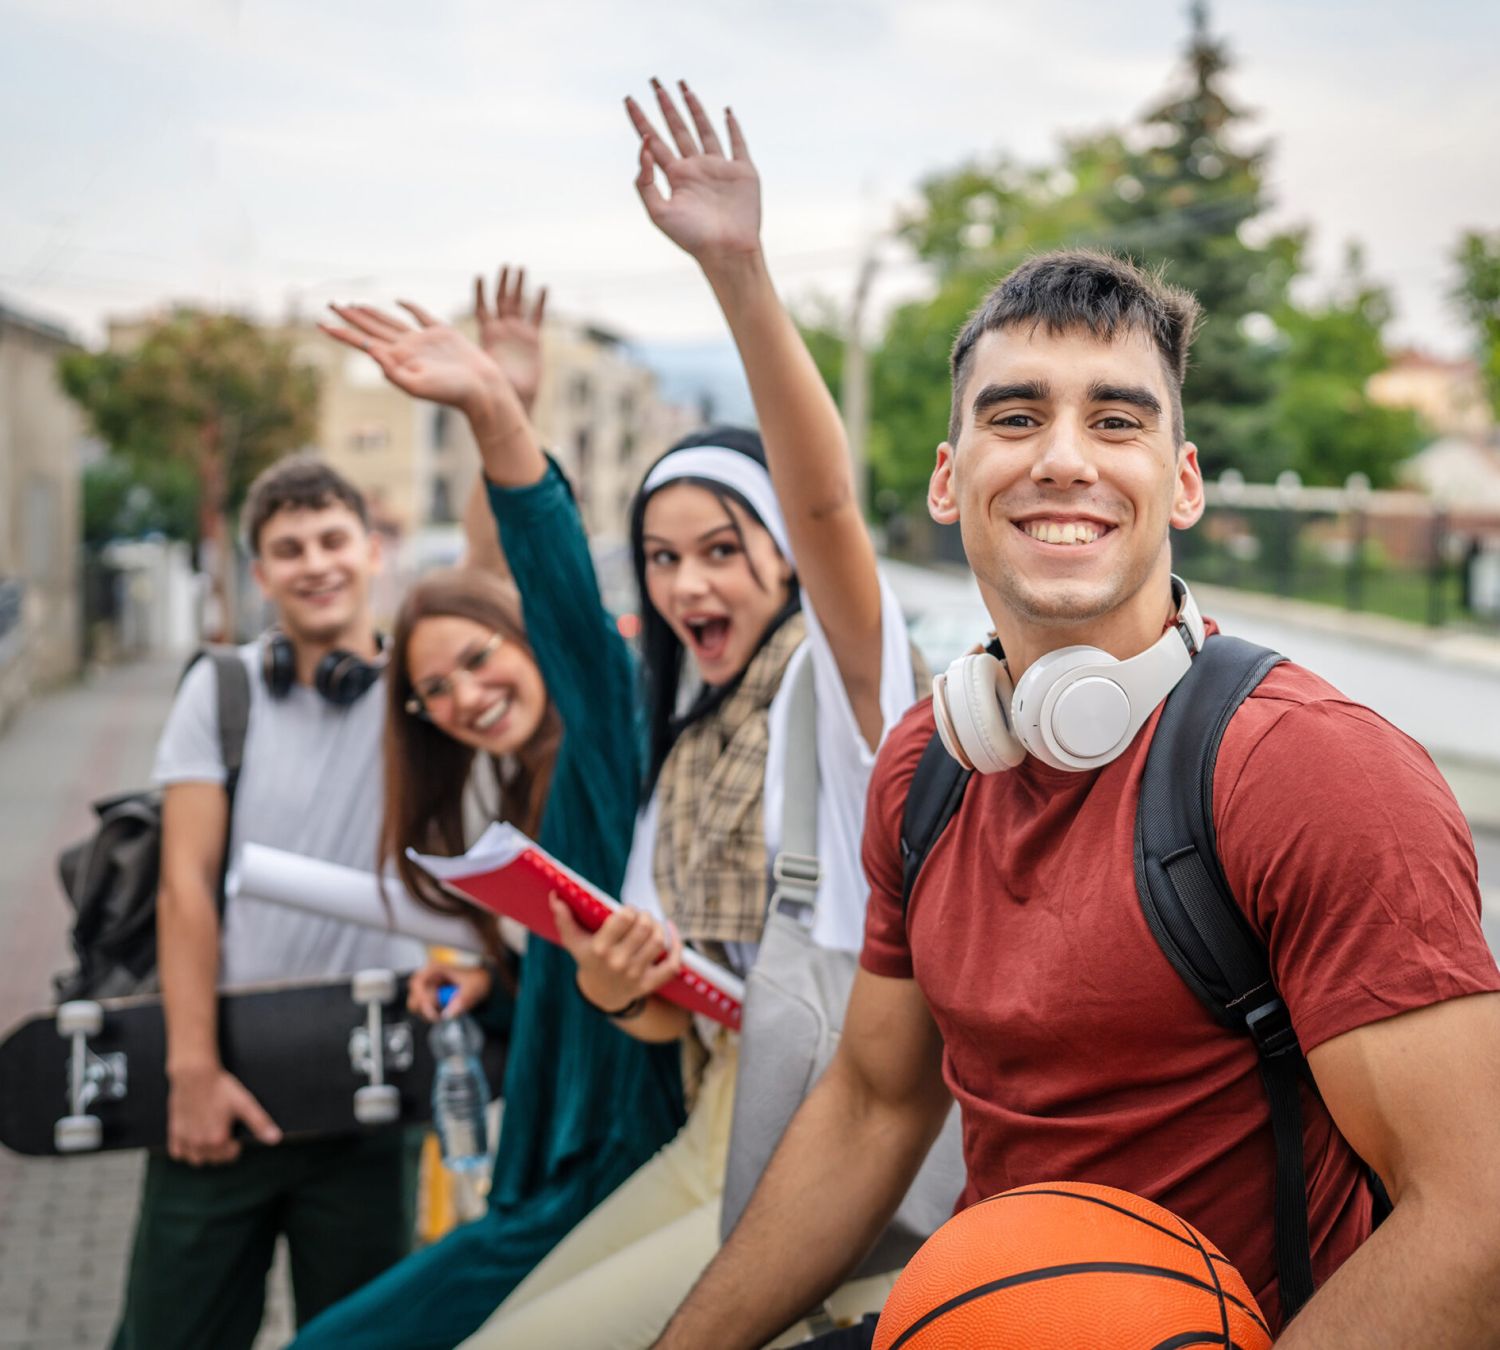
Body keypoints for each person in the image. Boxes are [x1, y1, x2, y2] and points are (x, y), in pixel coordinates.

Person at [652, 248, 1500, 1350]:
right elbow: (874, 1104)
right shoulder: (926, 769)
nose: (1062, 459)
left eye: (1115, 421)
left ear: (1182, 481)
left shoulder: (1312, 773)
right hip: (973, 1315)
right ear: (948, 477)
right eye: (1015, 417)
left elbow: (1475, 1219)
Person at [317, 79, 922, 1350]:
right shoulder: (674, 744)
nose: (690, 580)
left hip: (829, 1136)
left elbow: (828, 517)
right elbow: (670, 1009)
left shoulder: (844, 681)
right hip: (713, 1120)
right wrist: (613, 981)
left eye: (721, 547)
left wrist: (738, 274)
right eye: (659, 556)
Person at [290, 275, 685, 1350]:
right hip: (538, 1172)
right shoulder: (517, 793)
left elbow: (531, 570)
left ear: (531, 643)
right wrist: (490, 977)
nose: (465, 697)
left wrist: (497, 412)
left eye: (479, 661)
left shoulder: (609, 740)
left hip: (609, 1170)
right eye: (437, 692)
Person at [112, 455, 429, 1350]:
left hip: (370, 1081)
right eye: (289, 549)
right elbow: (184, 888)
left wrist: (498, 404)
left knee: (361, 1337)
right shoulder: (221, 690)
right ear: (260, 574)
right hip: (225, 1080)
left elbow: (491, 575)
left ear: (372, 552)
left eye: (333, 540)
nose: (316, 563)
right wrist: (192, 1071)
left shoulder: (425, 689)